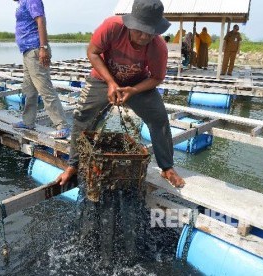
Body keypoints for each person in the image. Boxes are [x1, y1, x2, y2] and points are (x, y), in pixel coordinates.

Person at [56, 0, 186, 188]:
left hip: (137, 83)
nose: (143, 36)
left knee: (158, 118)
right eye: (139, 30)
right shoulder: (112, 27)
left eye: (149, 32)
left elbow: (157, 77)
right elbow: (92, 52)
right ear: (130, 23)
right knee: (83, 116)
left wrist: (133, 90)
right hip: (103, 77)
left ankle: (167, 168)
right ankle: (73, 165)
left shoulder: (158, 47)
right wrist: (110, 82)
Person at [11, 0, 69, 138]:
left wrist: (43, 47)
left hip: (35, 49)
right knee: (29, 89)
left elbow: (41, 20)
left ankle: (62, 125)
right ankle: (28, 121)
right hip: (27, 51)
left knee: (45, 89)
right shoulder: (23, 2)